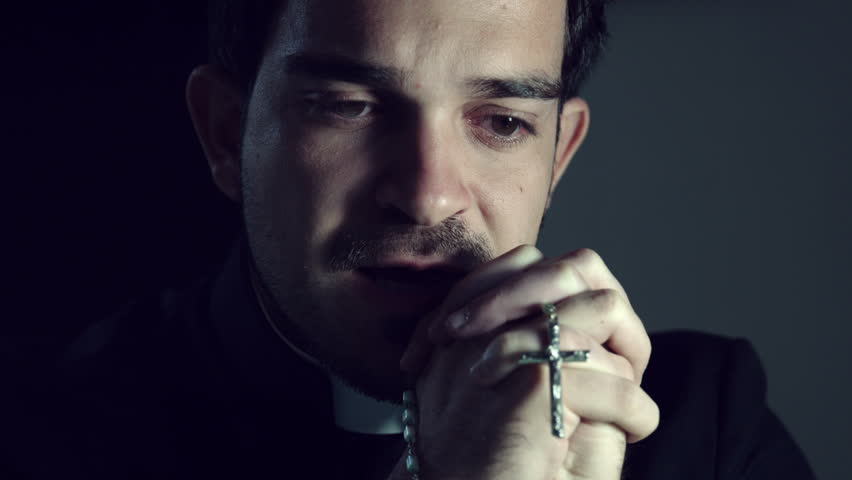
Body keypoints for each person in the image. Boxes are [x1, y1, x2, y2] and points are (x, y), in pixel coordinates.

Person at [3, 0, 815, 479]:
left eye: (502, 122)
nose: (428, 192)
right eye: (348, 106)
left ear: (558, 154)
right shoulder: (45, 434)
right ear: (224, 136)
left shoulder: (707, 422)